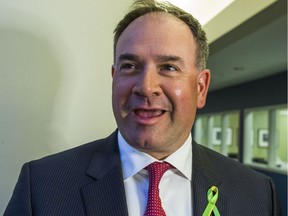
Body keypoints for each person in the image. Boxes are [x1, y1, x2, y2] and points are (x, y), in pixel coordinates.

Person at [4, 0, 281, 215]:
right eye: (130, 66)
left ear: (200, 87)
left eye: (169, 67)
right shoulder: (42, 187)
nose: (146, 87)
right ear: (114, 79)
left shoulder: (255, 194)